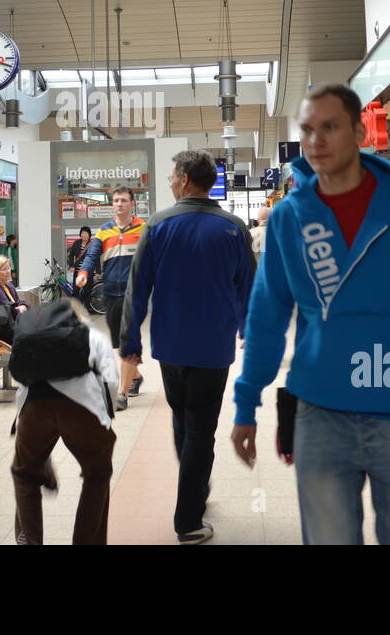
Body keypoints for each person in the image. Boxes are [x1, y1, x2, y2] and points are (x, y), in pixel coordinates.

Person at [231, 84, 390, 546]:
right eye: (307, 130)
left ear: (360, 132)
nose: (316, 141)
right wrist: (247, 403)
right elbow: (266, 317)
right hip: (319, 413)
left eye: (330, 127)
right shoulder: (289, 217)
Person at [120, 151, 254, 545]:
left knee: (183, 417)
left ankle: (192, 490)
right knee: (199, 426)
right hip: (213, 346)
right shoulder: (232, 228)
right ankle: (189, 518)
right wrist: (251, 329)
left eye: (171, 175)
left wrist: (130, 342)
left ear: (182, 179)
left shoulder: (158, 225)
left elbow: (137, 287)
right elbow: (249, 285)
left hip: (171, 346)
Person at [12, 299, 119, 546]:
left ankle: (29, 539)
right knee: (97, 475)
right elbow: (110, 381)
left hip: (34, 407)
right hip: (83, 408)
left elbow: (22, 378)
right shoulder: (92, 334)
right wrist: (106, 419)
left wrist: (22, 420)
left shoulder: (35, 336)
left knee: (25, 474)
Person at [75, 188, 145, 411]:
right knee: (117, 342)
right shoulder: (105, 231)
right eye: (116, 200)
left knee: (127, 339)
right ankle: (135, 376)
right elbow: (93, 255)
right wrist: (84, 272)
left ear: (132, 204)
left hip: (133, 293)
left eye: (124, 200)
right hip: (111, 292)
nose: (119, 204)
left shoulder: (143, 228)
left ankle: (121, 394)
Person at [0, 254, 29, 323]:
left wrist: (23, 305)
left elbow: (18, 302)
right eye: (4, 269)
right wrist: (23, 308)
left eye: (8, 268)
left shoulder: (8, 285)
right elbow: (10, 310)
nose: (8, 271)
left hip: (12, 324)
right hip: (2, 329)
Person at [68, 226, 94, 307]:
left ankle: (87, 307)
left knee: (87, 291)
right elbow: (71, 255)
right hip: (78, 271)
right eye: (82, 233)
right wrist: (72, 265)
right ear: (80, 234)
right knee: (75, 291)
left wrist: (98, 271)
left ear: (89, 235)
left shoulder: (92, 244)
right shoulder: (76, 243)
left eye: (86, 233)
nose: (84, 235)